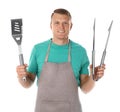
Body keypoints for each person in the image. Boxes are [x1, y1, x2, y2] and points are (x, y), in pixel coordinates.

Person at [16, 8, 105, 112]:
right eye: (57, 22)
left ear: (71, 26)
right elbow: (27, 83)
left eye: (65, 23)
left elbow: (85, 88)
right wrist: (21, 76)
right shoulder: (38, 49)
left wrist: (93, 78)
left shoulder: (80, 51)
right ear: (51, 25)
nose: (61, 27)